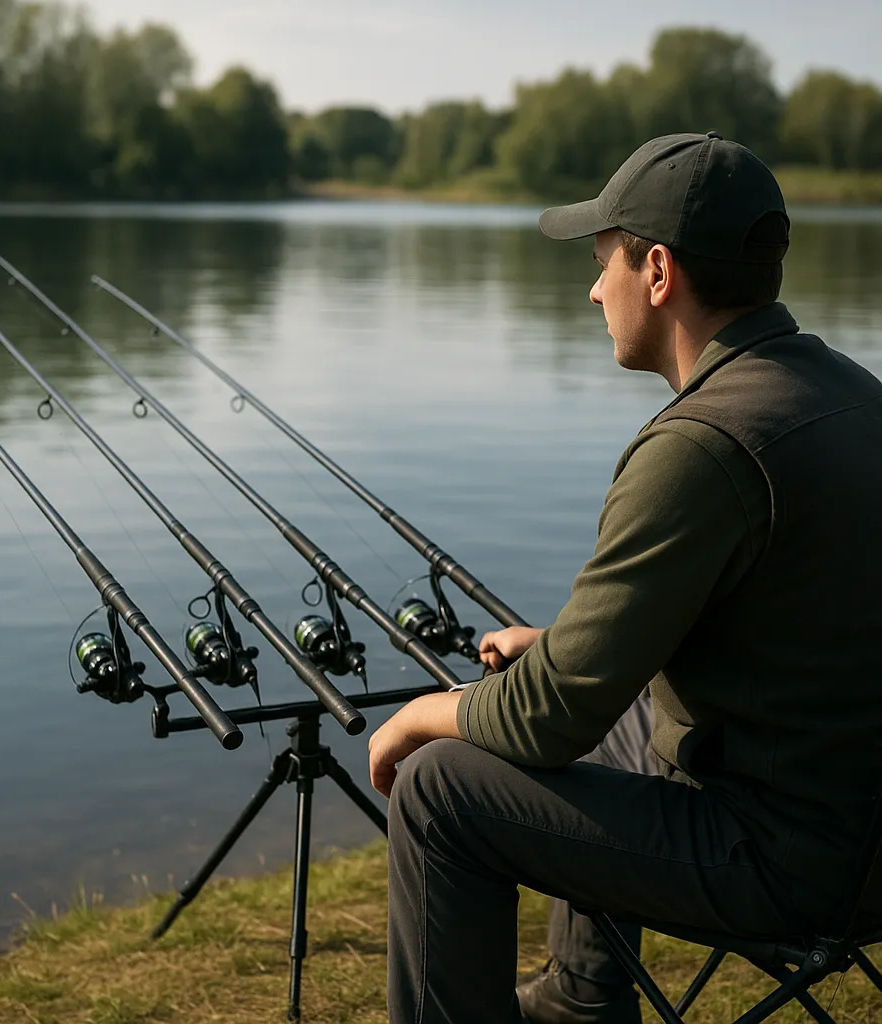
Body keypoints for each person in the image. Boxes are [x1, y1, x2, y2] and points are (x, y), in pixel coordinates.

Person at [368, 132, 882, 1024]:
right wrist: (567, 651)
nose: (594, 289)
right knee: (612, 706)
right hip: (858, 824)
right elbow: (798, 622)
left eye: (603, 261)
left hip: (793, 862)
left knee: (440, 788)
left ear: (658, 272)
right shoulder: (850, 392)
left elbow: (547, 716)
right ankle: (583, 998)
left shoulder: (700, 446)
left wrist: (422, 712)